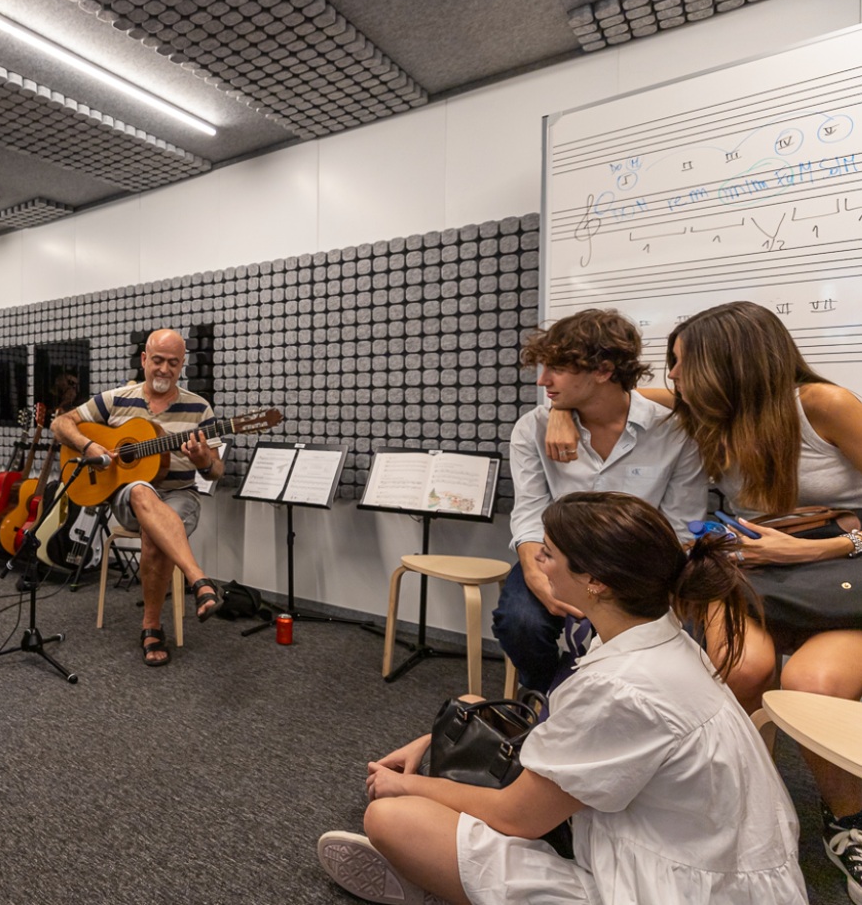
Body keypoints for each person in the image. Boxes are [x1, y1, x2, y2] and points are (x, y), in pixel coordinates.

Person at [317, 492, 806, 905]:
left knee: (390, 817)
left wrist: (408, 787)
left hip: (672, 889)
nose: (538, 563)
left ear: (596, 581)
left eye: (548, 553)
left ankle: (426, 877)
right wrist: (431, 739)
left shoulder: (620, 686)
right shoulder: (656, 634)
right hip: (715, 858)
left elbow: (517, 817)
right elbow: (572, 733)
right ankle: (431, 872)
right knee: (470, 706)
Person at [548, 300, 862, 899]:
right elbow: (603, 397)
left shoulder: (825, 405)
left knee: (814, 688)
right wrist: (560, 408)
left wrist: (822, 549)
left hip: (836, 572)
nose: (674, 379)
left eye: (683, 363)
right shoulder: (703, 412)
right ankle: (738, 804)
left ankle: (847, 826)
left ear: (731, 361)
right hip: (746, 569)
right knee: (740, 667)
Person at [494, 309, 707, 691]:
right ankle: (550, 694)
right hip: (555, 555)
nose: (544, 381)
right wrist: (531, 569)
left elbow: (681, 525)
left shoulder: (673, 433)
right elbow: (529, 509)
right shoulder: (533, 427)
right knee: (519, 622)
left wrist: (626, 585)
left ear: (604, 371)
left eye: (557, 369)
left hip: (637, 565)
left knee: (678, 638)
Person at [49, 329, 226, 667]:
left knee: (154, 536)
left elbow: (217, 470)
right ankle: (197, 579)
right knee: (142, 490)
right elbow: (61, 424)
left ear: (182, 365)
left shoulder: (199, 408)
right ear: (144, 359)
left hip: (179, 495)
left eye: (173, 363)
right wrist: (89, 445)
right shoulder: (116, 399)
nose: (164, 369)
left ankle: (151, 627)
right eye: (157, 360)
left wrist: (204, 460)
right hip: (127, 498)